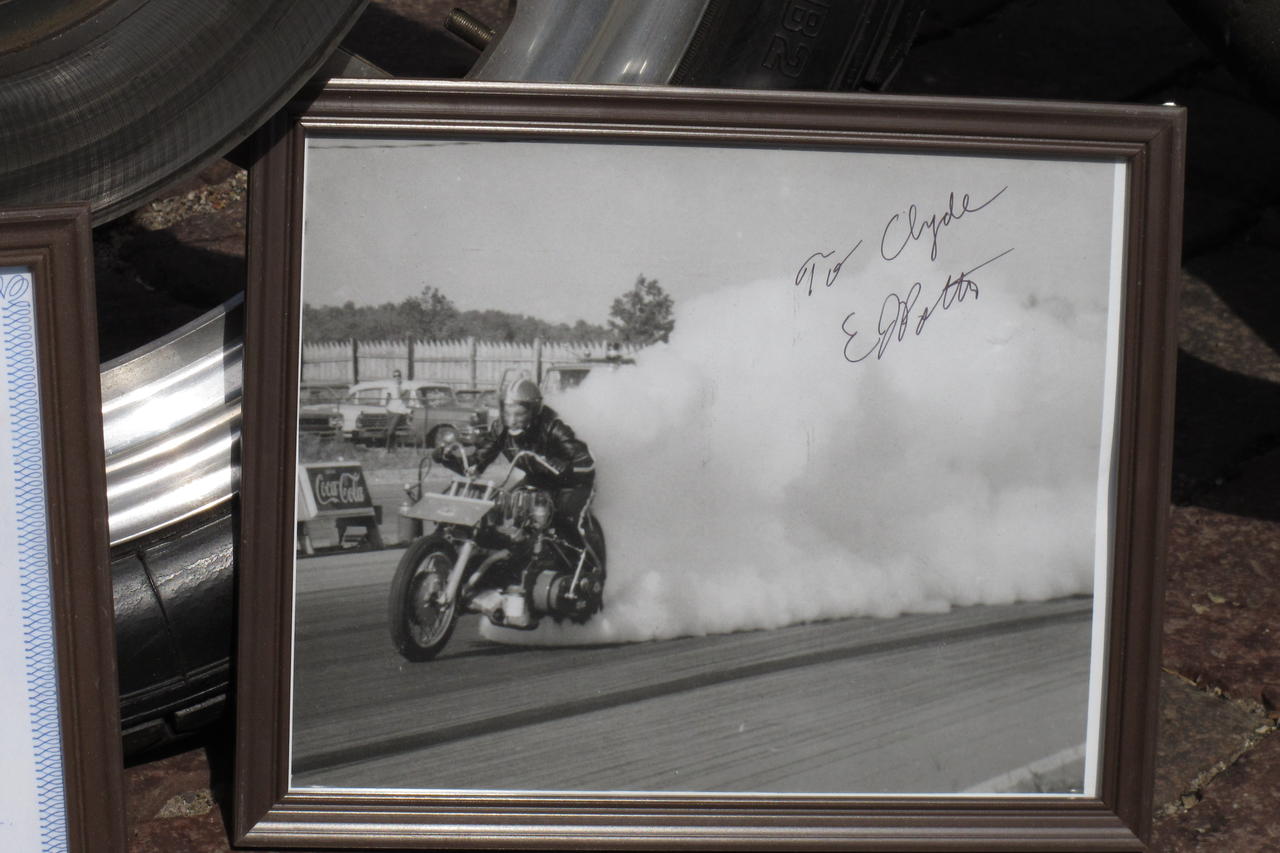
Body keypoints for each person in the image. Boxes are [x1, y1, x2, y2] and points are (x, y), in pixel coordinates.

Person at [436, 376, 595, 537]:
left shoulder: (553, 427)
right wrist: (448, 459)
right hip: (536, 481)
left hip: (570, 484)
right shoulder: (500, 429)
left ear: (534, 412)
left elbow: (586, 461)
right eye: (507, 413)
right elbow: (476, 463)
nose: (512, 421)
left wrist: (565, 465)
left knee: (565, 521)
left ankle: (584, 552)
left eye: (519, 414)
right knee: (502, 511)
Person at [384, 369, 410, 451]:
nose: (396, 377)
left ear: (401, 376)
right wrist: (386, 406)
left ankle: (387, 448)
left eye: (398, 375)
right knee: (391, 430)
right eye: (395, 376)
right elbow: (388, 396)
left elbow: (400, 395)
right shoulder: (390, 385)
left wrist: (398, 386)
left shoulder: (405, 385)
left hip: (399, 410)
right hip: (391, 409)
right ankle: (393, 449)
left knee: (391, 431)